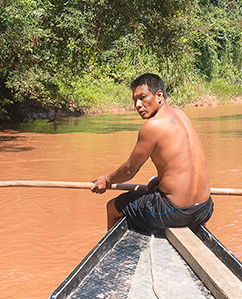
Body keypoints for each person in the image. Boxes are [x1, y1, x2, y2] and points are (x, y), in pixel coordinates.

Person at [90, 72, 213, 233]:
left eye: (142, 98)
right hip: (205, 209)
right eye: (134, 100)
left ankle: (111, 258)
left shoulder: (152, 126)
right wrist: (160, 181)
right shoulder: (181, 114)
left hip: (175, 212)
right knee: (153, 191)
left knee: (113, 207)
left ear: (159, 96)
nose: (137, 105)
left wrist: (105, 180)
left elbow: (129, 170)